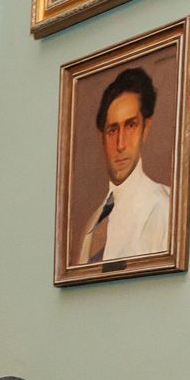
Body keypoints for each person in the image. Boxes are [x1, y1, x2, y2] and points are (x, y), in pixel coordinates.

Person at [76, 66, 171, 264]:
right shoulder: (93, 223)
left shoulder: (164, 209)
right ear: (102, 138)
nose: (120, 144)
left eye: (130, 126)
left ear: (146, 129)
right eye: (112, 130)